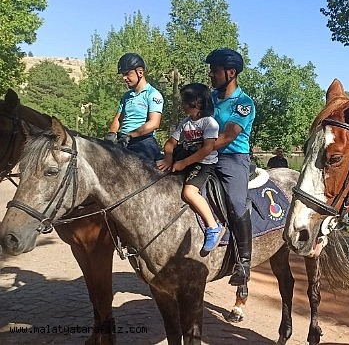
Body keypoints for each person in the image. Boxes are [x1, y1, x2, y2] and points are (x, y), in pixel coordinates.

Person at [205, 48, 256, 286]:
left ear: (231, 72)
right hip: (206, 155)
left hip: (232, 158)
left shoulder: (244, 104)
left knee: (236, 204)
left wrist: (199, 150)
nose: (211, 75)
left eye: (215, 71)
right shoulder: (211, 99)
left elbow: (226, 137)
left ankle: (243, 263)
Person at [157, 83, 225, 252]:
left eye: (185, 101)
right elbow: (170, 143)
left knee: (189, 192)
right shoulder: (185, 123)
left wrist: (183, 163)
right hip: (186, 160)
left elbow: (207, 149)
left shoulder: (209, 123)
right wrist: (168, 159)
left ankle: (213, 227)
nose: (182, 105)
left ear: (198, 103)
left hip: (203, 163)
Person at [105, 53, 164, 161]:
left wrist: (130, 135)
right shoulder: (127, 96)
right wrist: (111, 134)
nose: (124, 78)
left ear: (140, 72)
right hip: (123, 140)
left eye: (127, 74)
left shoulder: (153, 94)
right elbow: (118, 118)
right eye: (123, 74)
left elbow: (154, 123)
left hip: (143, 142)